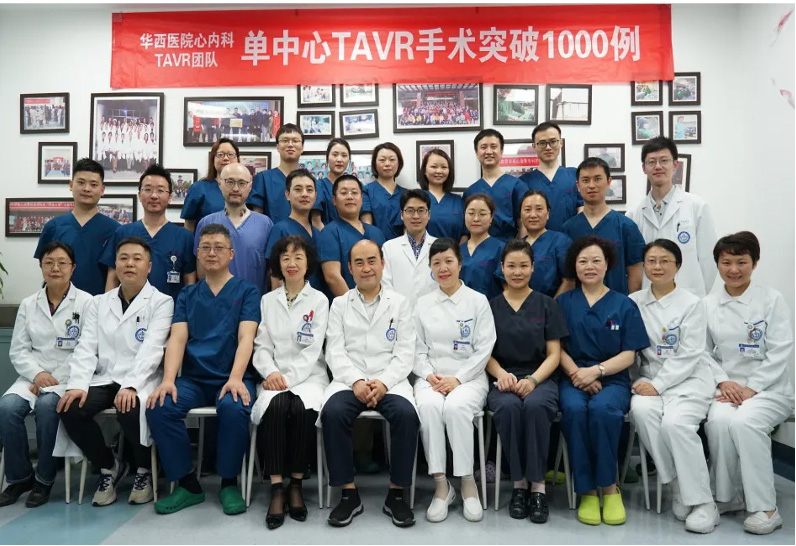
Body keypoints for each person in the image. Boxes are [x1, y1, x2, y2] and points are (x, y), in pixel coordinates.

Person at [146, 224, 261, 516]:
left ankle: (229, 483)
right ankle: (188, 484)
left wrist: (235, 378)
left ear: (231, 254)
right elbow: (178, 339)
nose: (212, 253)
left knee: (234, 407)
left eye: (219, 247)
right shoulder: (187, 294)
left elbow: (246, 338)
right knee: (160, 406)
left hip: (232, 376)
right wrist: (168, 380)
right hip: (194, 379)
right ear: (197, 253)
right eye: (206, 247)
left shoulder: (247, 291)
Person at [54, 237, 174, 506]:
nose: (129, 263)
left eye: (137, 258)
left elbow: (152, 349)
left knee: (129, 408)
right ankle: (109, 466)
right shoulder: (99, 302)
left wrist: (131, 385)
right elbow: (86, 346)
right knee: (69, 407)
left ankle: (143, 470)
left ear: (149, 267)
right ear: (115, 264)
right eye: (123, 258)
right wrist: (77, 385)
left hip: (141, 378)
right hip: (105, 377)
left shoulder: (162, 302)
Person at [321, 240, 419, 528]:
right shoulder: (340, 304)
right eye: (359, 262)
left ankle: (397, 494)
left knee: (406, 415)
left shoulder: (400, 303)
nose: (366, 268)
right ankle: (348, 493)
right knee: (333, 413)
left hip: (390, 380)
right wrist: (355, 381)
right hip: (349, 380)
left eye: (372, 260)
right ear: (350, 269)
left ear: (382, 264)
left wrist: (384, 383)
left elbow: (405, 352)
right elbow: (334, 351)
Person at [703, 231, 794, 535]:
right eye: (726, 262)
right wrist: (723, 381)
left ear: (754, 263)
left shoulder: (771, 300)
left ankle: (766, 508)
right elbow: (701, 352)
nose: (733, 270)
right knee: (718, 422)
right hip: (728, 389)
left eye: (741, 262)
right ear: (717, 264)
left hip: (770, 389)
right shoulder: (707, 304)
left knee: (745, 423)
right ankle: (728, 496)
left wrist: (751, 387)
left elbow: (781, 349)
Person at [556, 236, 649, 526]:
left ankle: (609, 488)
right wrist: (578, 374)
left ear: (607, 264)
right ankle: (587, 491)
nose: (590, 266)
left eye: (596, 260)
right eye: (583, 261)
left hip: (612, 379)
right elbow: (556, 348)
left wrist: (596, 371)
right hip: (572, 377)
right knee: (574, 410)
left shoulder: (624, 304)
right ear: (574, 266)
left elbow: (629, 354)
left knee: (603, 410)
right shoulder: (563, 302)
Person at [628, 239, 718, 533]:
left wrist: (659, 384)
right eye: (651, 261)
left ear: (677, 266)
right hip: (648, 378)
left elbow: (691, 353)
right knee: (641, 412)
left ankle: (704, 503)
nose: (657, 266)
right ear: (644, 266)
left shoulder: (692, 303)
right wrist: (642, 382)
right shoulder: (633, 302)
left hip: (689, 379)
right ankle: (679, 484)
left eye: (665, 260)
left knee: (675, 425)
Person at [0, 243, 93, 508]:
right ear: (41, 267)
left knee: (46, 407)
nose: (55, 268)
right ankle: (20, 478)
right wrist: (38, 374)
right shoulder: (29, 304)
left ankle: (44, 478)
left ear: (73, 268)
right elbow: (19, 349)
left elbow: (86, 348)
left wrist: (52, 379)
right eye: (49, 262)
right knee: (7, 408)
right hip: (32, 377)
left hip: (68, 379)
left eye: (62, 263)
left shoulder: (87, 302)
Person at [413, 238, 496, 523]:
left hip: (469, 377)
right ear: (430, 268)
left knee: (456, 407)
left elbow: (484, 348)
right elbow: (415, 348)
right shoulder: (422, 304)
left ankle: (467, 483)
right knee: (429, 407)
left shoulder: (477, 301)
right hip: (432, 377)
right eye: (436, 263)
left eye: (448, 261)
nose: (443, 268)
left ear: (460, 265)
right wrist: (429, 375)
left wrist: (458, 379)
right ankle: (441, 486)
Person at [486, 239, 569, 523]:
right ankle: (519, 486)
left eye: (523, 265)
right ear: (502, 268)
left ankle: (538, 488)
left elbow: (554, 354)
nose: (517, 272)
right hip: (503, 377)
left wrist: (533, 380)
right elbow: (484, 353)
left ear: (533, 268)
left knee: (535, 407)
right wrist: (501, 374)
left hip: (540, 377)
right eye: (511, 266)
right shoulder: (490, 307)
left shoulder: (547, 304)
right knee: (508, 408)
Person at [252, 235, 330, 529]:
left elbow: (314, 349)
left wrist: (287, 378)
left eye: (298, 257)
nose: (292, 263)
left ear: (308, 263)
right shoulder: (267, 300)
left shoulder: (319, 300)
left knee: (300, 408)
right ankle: (276, 488)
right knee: (275, 407)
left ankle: (295, 484)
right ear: (278, 264)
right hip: (273, 376)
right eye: (285, 258)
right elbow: (262, 346)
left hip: (310, 376)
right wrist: (271, 372)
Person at [625, 137, 717, 297]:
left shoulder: (697, 207)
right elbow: (634, 266)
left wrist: (698, 296)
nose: (658, 166)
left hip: (689, 298)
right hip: (648, 299)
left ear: (675, 165)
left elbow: (709, 260)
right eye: (651, 162)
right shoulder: (633, 215)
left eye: (664, 160)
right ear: (644, 168)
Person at [101, 164, 196, 301]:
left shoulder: (184, 237)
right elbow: (113, 277)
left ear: (170, 197)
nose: (154, 196)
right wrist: (108, 308)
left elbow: (189, 281)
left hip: (171, 310)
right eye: (148, 190)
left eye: (160, 190)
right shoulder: (123, 233)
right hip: (127, 310)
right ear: (139, 195)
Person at [34, 158, 119, 295]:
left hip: (98, 302)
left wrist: (107, 304)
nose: (86, 189)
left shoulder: (115, 229)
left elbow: (114, 274)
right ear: (71, 185)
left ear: (102, 190)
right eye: (81, 182)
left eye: (93, 184)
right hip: (60, 301)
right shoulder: (53, 227)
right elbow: (46, 266)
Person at [561, 158, 645, 295]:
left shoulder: (626, 226)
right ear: (578, 185)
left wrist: (626, 304)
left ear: (608, 182)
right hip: (579, 304)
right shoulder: (568, 229)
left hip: (617, 304)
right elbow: (567, 277)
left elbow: (635, 273)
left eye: (597, 179)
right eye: (585, 180)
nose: (591, 185)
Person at [195, 163, 273, 296]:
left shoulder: (265, 224)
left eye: (242, 183)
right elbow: (201, 272)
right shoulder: (206, 223)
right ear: (220, 184)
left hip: (254, 302)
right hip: (215, 302)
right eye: (230, 182)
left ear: (250, 186)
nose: (236, 188)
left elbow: (272, 272)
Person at [318, 174, 386, 297]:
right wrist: (354, 304)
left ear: (362, 198)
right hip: (347, 305)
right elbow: (332, 277)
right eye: (344, 193)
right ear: (334, 200)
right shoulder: (330, 232)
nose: (350, 197)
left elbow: (385, 273)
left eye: (354, 193)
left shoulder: (377, 233)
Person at [264, 168, 326, 294]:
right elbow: (276, 276)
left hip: (317, 301)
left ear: (315, 195)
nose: (305, 194)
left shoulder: (319, 233)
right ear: (287, 195)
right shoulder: (281, 229)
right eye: (298, 189)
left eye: (309, 190)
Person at [248, 124, 322, 228]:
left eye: (295, 141)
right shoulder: (264, 179)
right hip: (273, 236)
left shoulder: (312, 183)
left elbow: (316, 222)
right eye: (285, 140)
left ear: (302, 148)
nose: (290, 144)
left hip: (304, 237)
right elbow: (257, 220)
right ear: (277, 147)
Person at [463, 129, 527, 241]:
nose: (488, 152)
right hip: (479, 247)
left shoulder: (516, 185)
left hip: (509, 247)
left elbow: (523, 224)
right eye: (483, 147)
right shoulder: (471, 191)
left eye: (493, 147)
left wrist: (519, 247)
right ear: (477, 153)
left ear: (501, 151)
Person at [520, 122, 583, 232]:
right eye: (542, 143)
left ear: (561, 143)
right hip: (537, 241)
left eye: (553, 142)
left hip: (572, 239)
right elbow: (523, 222)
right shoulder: (524, 182)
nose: (548, 147)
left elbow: (582, 211)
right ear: (534, 146)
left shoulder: (575, 175)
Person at [381, 189, 437, 310]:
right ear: (402, 214)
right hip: (397, 314)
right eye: (410, 211)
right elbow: (385, 286)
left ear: (429, 214)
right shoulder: (389, 248)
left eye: (421, 210)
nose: (416, 216)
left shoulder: (439, 247)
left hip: (433, 315)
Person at [520, 190, 574, 298]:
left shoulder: (561, 241)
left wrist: (551, 306)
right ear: (520, 215)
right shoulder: (515, 245)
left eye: (539, 209)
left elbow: (569, 281)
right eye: (527, 210)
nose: (533, 215)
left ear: (548, 213)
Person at [181, 138, 239, 233]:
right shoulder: (198, 188)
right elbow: (189, 228)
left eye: (230, 154)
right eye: (220, 154)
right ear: (213, 159)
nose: (226, 158)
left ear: (238, 159)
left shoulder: (247, 189)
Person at [460, 194, 504, 300]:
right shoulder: (457, 250)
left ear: (491, 217)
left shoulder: (501, 249)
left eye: (482, 214)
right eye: (471, 213)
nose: (476, 219)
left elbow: (507, 287)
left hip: (491, 307)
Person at [417, 149, 465, 243]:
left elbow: (465, 233)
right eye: (434, 166)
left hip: (454, 251)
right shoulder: (416, 199)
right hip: (423, 251)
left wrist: (456, 251)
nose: (439, 171)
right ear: (424, 171)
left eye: (444, 167)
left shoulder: (458, 201)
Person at [361, 142, 406, 240]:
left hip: (402, 246)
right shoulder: (366, 191)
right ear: (375, 163)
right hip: (375, 244)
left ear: (399, 163)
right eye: (382, 160)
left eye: (392, 160)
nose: (387, 164)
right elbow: (367, 226)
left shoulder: (406, 194)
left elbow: (409, 227)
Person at [316, 138, 351, 226]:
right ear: (327, 157)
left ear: (349, 159)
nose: (339, 159)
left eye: (344, 155)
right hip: (325, 233)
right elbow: (316, 222)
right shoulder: (318, 185)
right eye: (335, 155)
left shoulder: (356, 187)